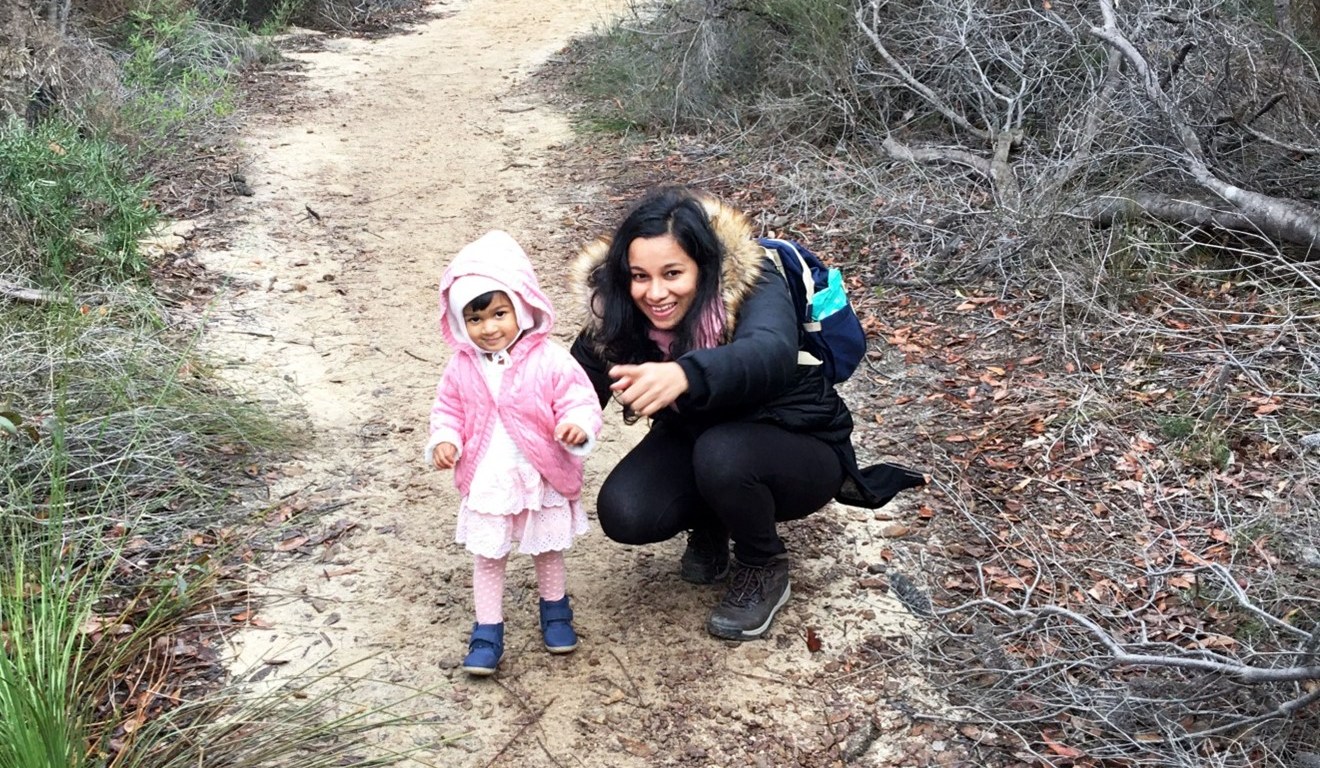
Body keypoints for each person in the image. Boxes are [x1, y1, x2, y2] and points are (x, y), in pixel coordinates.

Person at [569, 187, 925, 641]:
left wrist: (685, 374)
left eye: (672, 273)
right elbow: (573, 384)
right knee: (627, 511)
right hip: (700, 439)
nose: (654, 293)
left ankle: (763, 564)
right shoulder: (618, 306)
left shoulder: (755, 280)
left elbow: (769, 352)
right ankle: (712, 523)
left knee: (723, 455)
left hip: (795, 441)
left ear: (704, 264)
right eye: (640, 276)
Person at [426, 230, 603, 676]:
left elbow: (580, 400)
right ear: (459, 322)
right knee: (489, 555)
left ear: (521, 308)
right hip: (490, 476)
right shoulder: (462, 366)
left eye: (499, 314)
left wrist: (577, 427)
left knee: (547, 549)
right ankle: (488, 630)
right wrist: (445, 439)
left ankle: (555, 611)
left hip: (539, 472)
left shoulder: (551, 359)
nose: (489, 328)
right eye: (476, 318)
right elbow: (447, 408)